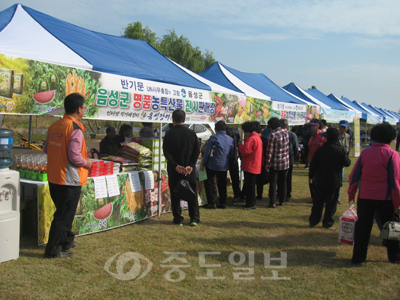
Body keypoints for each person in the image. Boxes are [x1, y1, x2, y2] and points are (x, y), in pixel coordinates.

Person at [43, 93, 92, 258]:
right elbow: (75, 156)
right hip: (69, 179)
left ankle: (66, 241)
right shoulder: (75, 128)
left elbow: (46, 149)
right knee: (63, 216)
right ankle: (53, 250)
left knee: (64, 213)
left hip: (54, 176)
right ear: (79, 109)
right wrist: (88, 163)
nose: (84, 110)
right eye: (84, 107)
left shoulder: (55, 126)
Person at [348, 123, 400, 264]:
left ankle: (358, 257)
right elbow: (395, 182)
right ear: (391, 138)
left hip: (365, 197)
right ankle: (394, 256)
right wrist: (397, 203)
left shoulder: (365, 152)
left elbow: (354, 175)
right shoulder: (392, 154)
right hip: (385, 198)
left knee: (362, 228)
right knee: (390, 227)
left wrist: (351, 194)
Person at [163, 109, 200, 226]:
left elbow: (166, 152)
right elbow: (196, 151)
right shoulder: (192, 134)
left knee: (175, 194)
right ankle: (194, 218)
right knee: (192, 192)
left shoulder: (169, 134)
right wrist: (190, 165)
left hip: (175, 170)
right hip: (189, 170)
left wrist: (176, 166)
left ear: (173, 119)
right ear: (184, 120)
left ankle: (178, 218)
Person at [308, 127, 351, 229]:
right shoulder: (339, 149)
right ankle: (327, 222)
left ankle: (313, 221)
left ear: (328, 138)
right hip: (334, 181)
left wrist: (311, 176)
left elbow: (313, 164)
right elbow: (347, 163)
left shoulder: (320, 149)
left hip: (321, 179)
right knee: (331, 204)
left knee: (318, 202)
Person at [201, 121, 234, 209]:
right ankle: (222, 202)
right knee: (222, 184)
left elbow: (207, 152)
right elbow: (232, 154)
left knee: (209, 182)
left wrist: (203, 164)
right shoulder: (230, 139)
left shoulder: (213, 138)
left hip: (212, 164)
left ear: (215, 129)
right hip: (224, 165)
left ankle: (211, 202)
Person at [265, 117, 289, 208]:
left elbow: (269, 150)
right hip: (285, 162)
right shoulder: (286, 132)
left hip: (275, 163)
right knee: (283, 183)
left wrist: (267, 163)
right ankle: (282, 200)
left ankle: (273, 202)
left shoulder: (273, 135)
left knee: (273, 184)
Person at [238, 121, 263, 210]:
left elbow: (245, 151)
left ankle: (251, 203)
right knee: (250, 185)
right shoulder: (256, 138)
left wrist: (240, 145)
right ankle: (250, 202)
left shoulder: (252, 139)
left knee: (250, 186)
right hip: (255, 165)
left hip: (250, 165)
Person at [306, 119, 325, 202]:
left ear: (318, 126)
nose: (311, 128)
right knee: (311, 179)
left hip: (320, 161)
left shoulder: (322, 135)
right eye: (310, 126)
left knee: (320, 180)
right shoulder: (311, 136)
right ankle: (313, 197)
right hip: (311, 160)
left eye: (312, 126)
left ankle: (321, 197)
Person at [280, 119, 299, 202]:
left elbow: (296, 148)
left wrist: (293, 158)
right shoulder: (278, 134)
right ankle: (281, 194)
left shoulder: (292, 135)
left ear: (285, 126)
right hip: (281, 160)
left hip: (289, 159)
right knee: (281, 178)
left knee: (287, 178)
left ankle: (287, 195)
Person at [337, 120, 351, 204]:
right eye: (340, 127)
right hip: (335, 161)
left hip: (342, 162)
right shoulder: (336, 137)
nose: (342, 129)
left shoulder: (348, 136)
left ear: (347, 128)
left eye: (344, 127)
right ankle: (336, 198)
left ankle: (337, 198)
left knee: (340, 180)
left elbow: (348, 149)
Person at [254, 122, 269, 203]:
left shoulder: (255, 139)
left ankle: (258, 196)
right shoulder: (264, 140)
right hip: (262, 163)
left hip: (258, 163)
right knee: (259, 182)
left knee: (256, 181)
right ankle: (259, 196)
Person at [226, 127, 241, 202]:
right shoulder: (235, 133)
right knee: (235, 179)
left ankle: (237, 194)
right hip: (232, 158)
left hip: (232, 158)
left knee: (235, 178)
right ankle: (237, 194)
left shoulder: (235, 133)